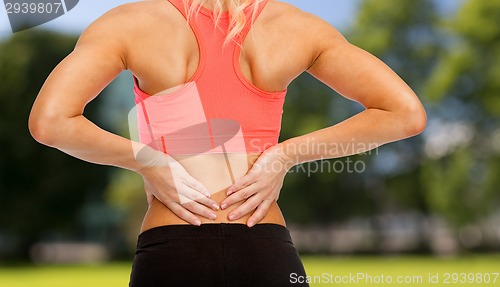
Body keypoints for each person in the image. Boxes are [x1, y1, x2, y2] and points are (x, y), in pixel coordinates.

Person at [28, 0, 427, 286]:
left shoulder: (131, 22)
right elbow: (405, 114)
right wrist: (284, 155)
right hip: (265, 248)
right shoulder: (297, 26)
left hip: (173, 249)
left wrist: (149, 161)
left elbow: (50, 123)